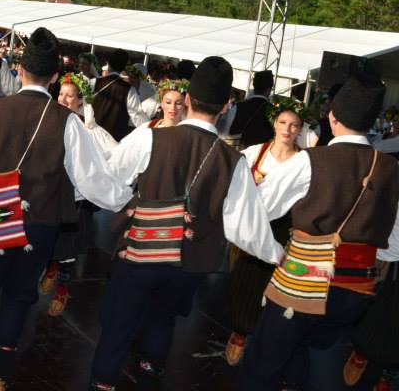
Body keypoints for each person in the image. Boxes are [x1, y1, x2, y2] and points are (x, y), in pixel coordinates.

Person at [0, 29, 130, 391]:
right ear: (54, 77)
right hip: (40, 223)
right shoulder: (68, 122)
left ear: (19, 70)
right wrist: (126, 201)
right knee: (18, 297)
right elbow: (91, 179)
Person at [90, 56, 282, 391]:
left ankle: (102, 384)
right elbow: (245, 229)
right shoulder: (233, 161)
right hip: (189, 262)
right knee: (162, 321)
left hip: (140, 251)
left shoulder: (149, 138)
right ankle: (148, 379)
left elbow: (110, 182)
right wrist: (278, 255)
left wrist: (127, 207)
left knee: (119, 324)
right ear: (226, 106)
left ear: (188, 99)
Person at [241, 75, 399, 390]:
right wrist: (368, 254)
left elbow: (253, 212)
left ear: (332, 117)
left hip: (301, 284)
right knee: (307, 353)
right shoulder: (395, 170)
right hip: (354, 293)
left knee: (263, 362)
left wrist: (275, 254)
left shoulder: (309, 161)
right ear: (372, 123)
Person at [342, 114, 399, 389]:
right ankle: (361, 351)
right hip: (388, 246)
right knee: (373, 302)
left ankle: (389, 371)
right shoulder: (398, 168)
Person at [224, 98, 310, 366]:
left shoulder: (305, 161)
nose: (287, 129)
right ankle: (240, 332)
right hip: (251, 226)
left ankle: (265, 336)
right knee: (244, 279)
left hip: (282, 228)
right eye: (283, 122)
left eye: (294, 125)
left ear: (301, 129)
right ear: (274, 122)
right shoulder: (255, 152)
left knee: (274, 285)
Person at [38, 71, 120, 318]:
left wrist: (96, 174)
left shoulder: (91, 129)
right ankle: (50, 266)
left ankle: (62, 289)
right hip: (50, 192)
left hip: (75, 199)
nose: (63, 99)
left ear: (81, 100)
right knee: (47, 238)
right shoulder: (50, 121)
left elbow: (117, 155)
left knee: (68, 246)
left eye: (69, 96)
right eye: (61, 94)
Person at [91, 48, 149, 141]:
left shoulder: (94, 82)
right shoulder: (130, 89)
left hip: (92, 134)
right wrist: (151, 130)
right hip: (113, 138)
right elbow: (137, 115)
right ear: (124, 68)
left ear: (109, 64)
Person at [227, 69, 275, 149]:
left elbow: (227, 130)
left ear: (254, 86)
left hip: (237, 150)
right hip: (260, 153)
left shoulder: (238, 106)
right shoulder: (273, 111)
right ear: (269, 89)